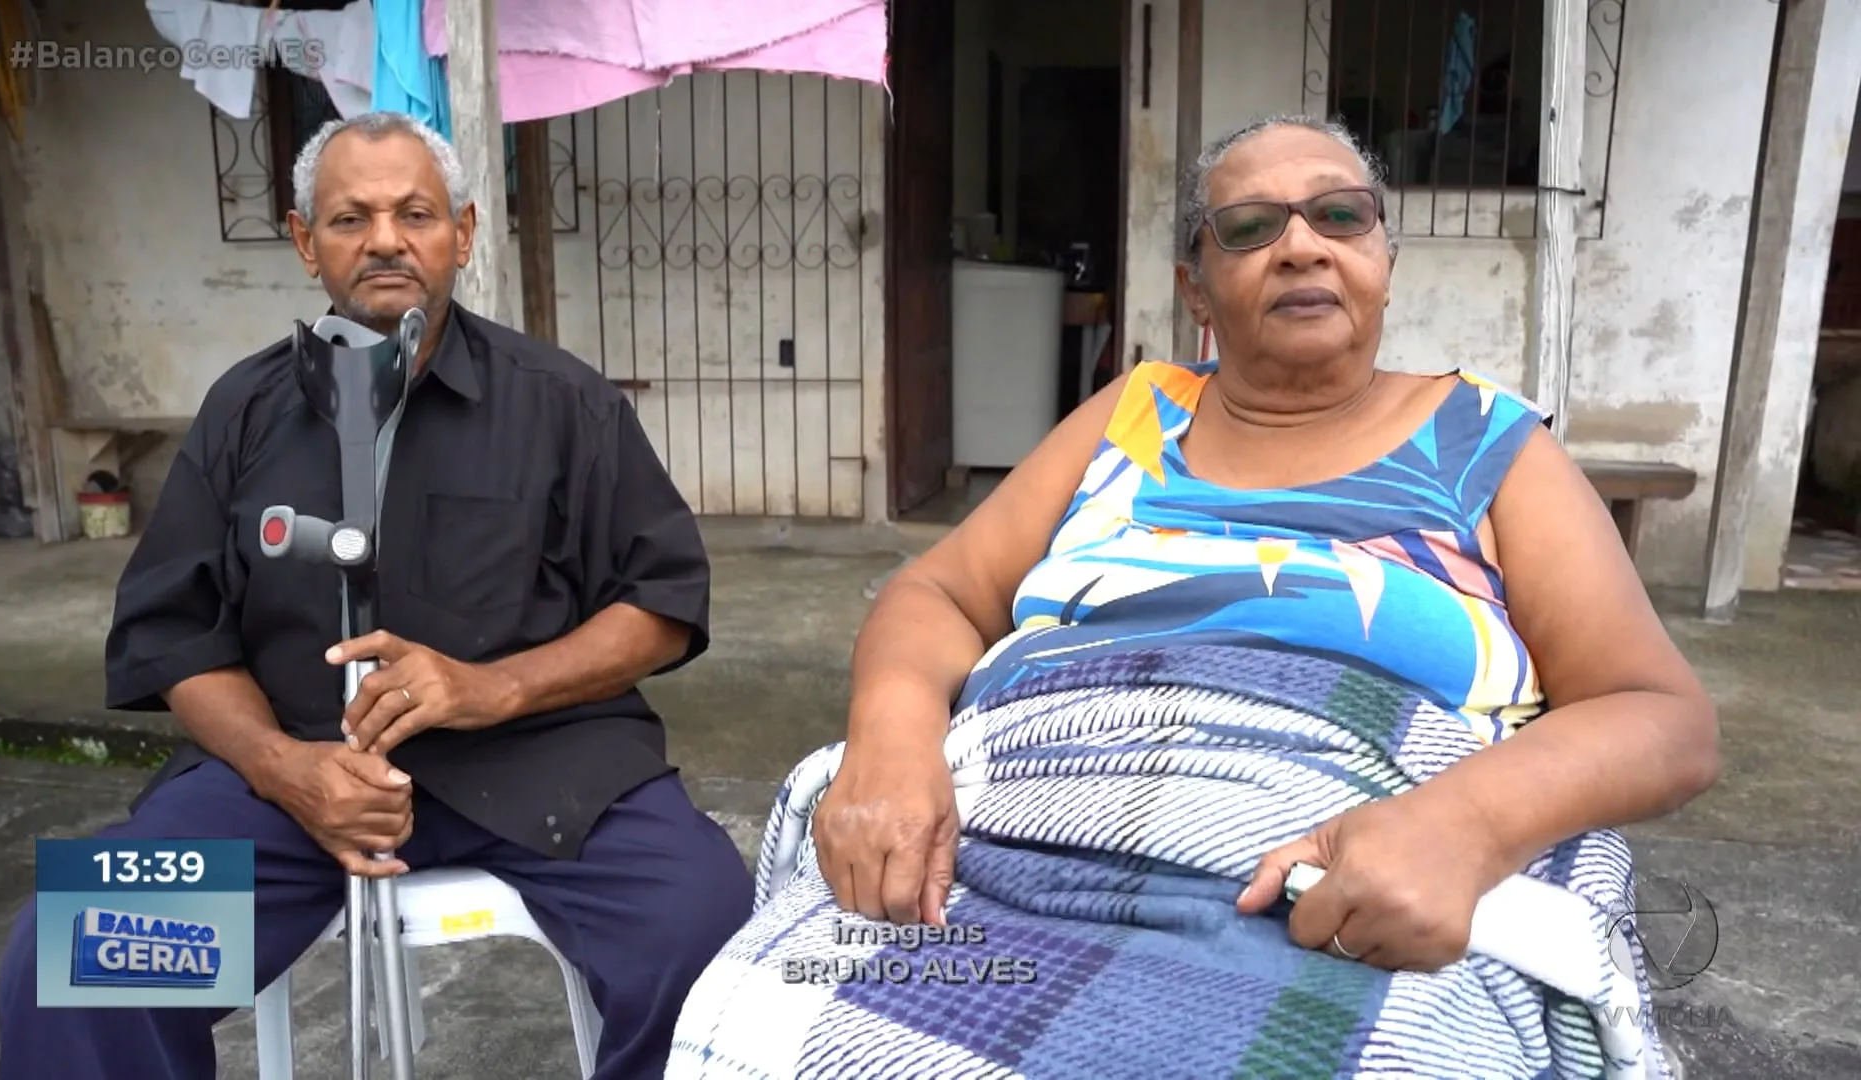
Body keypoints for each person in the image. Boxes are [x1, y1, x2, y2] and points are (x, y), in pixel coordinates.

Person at [664, 116, 1719, 1079]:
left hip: (1332, 860)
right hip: (1006, 825)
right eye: (1251, 226)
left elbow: (1659, 715)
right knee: (765, 1035)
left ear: (1385, 259)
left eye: (1340, 214)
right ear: (1198, 288)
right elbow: (939, 588)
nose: (1301, 245)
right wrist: (891, 745)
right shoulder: (1135, 413)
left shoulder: (1488, 444)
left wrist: (1466, 825)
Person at [0, 111, 753, 1080]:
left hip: (543, 770)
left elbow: (662, 600)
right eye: (351, 219)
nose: (387, 239)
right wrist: (281, 768)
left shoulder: (562, 402)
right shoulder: (245, 409)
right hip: (291, 790)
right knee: (78, 956)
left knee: (709, 936)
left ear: (463, 235)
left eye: (416, 214)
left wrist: (492, 689)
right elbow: (175, 633)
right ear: (307, 242)